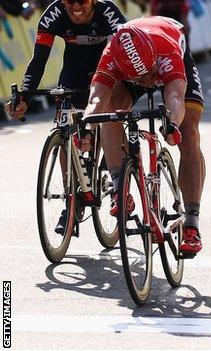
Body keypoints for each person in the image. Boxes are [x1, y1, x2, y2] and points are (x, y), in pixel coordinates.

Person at [84, 16, 205, 256]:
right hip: (129, 69)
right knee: (112, 110)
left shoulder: (166, 51)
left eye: (147, 76)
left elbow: (175, 98)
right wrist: (86, 127)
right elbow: (96, 100)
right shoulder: (111, 56)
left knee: (189, 132)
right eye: (140, 79)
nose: (146, 83)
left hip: (168, 56)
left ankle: (192, 223)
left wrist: (173, 125)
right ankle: (119, 187)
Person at [5, 0, 125, 233]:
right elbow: (38, 60)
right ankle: (72, 199)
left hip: (107, 68)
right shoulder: (54, 14)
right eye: (69, 1)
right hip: (74, 72)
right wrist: (25, 96)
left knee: (107, 112)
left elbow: (121, 55)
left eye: (82, 1)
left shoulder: (108, 12)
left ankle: (113, 177)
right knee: (64, 122)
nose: (75, 6)